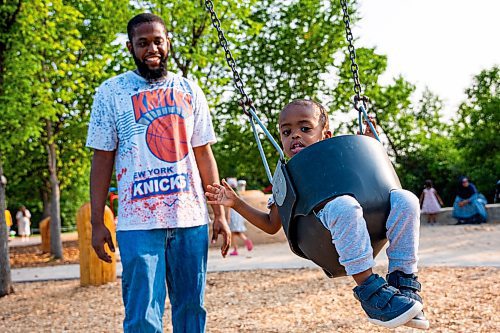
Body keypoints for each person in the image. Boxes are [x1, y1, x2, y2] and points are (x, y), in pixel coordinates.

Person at [206, 99, 428, 330]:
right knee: (343, 205)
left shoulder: (342, 159)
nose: (294, 136)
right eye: (286, 131)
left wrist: (368, 143)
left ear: (325, 135)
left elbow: (369, 179)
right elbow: (271, 224)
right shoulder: (287, 176)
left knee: (406, 199)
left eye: (305, 128)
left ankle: (404, 281)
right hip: (318, 235)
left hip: (366, 222)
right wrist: (236, 203)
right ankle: (371, 292)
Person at [86, 13, 230, 333]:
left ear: (168, 44)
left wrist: (218, 213)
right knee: (141, 315)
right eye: (142, 43)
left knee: (192, 309)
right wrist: (98, 222)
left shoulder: (189, 90)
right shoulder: (111, 93)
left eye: (157, 41)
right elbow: (101, 161)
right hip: (138, 222)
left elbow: (204, 154)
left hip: (190, 218)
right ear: (130, 47)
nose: (151, 48)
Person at [225, 178, 253, 256]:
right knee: (236, 232)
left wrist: (227, 218)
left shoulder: (228, 195)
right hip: (239, 214)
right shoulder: (238, 194)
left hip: (233, 215)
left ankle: (235, 249)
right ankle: (246, 240)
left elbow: (228, 208)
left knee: (233, 233)